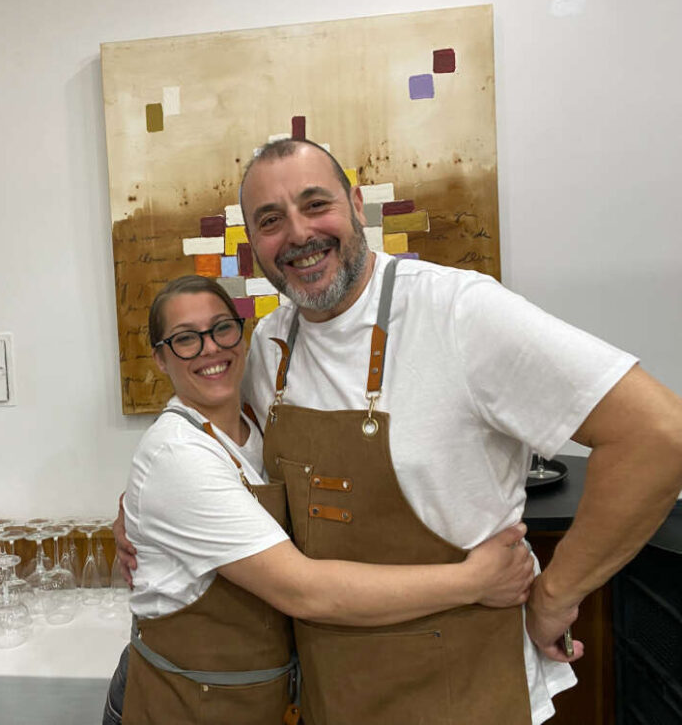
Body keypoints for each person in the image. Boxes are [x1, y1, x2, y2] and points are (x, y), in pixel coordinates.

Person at [115, 139, 682, 725]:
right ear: (254, 243)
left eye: (316, 204)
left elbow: (659, 436)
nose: (299, 234)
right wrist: (138, 507)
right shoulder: (271, 344)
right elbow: (217, 452)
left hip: (462, 689)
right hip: (332, 694)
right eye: (271, 220)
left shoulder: (458, 312)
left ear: (357, 205)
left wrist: (557, 597)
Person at [104, 274, 535, 725]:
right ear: (160, 358)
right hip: (184, 702)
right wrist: (475, 581)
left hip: (258, 699)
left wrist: (134, 506)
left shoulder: (254, 424)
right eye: (185, 339)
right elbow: (301, 590)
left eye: (222, 329)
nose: (210, 348)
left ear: (242, 335)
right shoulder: (177, 455)